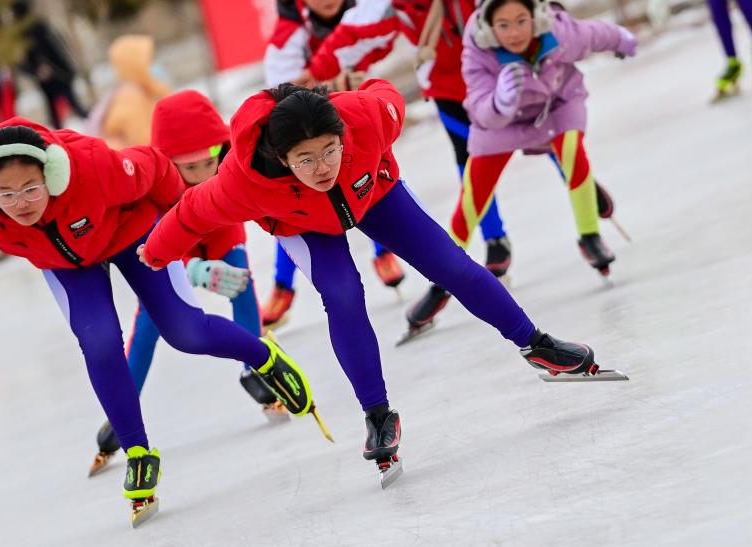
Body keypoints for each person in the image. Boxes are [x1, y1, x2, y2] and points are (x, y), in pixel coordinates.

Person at [138, 79, 606, 477]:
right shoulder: (242, 180)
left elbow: (386, 94)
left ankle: (537, 345)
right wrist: (155, 253)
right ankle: (378, 415)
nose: (322, 167)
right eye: (305, 159)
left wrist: (363, 84)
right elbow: (189, 215)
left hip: (375, 193)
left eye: (329, 150)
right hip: (302, 224)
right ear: (282, 159)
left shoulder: (368, 118)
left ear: (343, 136)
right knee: (342, 296)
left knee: (452, 266)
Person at [0, 117, 318, 525]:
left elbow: (155, 165)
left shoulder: (97, 169)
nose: (20, 203)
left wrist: (185, 226)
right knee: (98, 343)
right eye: (6, 194)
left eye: (31, 188)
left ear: (53, 177)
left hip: (130, 231)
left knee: (184, 331)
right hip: (65, 265)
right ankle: (138, 453)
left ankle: (263, 355)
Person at [297, 0, 618, 328]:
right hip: (449, 91)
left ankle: (587, 220)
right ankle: (495, 241)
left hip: (504, 82)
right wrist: (313, 75)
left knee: (559, 144)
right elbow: (353, 35)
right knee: (473, 166)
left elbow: (526, 12)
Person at [407, 0, 638, 331]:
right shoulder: (477, 51)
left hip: (555, 106)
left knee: (572, 149)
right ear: (488, 26)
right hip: (500, 123)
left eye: (521, 20)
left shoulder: (559, 32)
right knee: (474, 194)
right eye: (503, 24)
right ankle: (442, 279)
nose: (514, 32)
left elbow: (594, 34)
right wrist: (500, 101)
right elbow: (480, 108)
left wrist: (622, 39)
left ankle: (590, 236)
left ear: (536, 17)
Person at [89, 90, 286, 476]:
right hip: (169, 234)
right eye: (187, 169)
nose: (200, 176)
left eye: (208, 163)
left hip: (218, 223)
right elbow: (154, 250)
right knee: (150, 320)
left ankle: (255, 370)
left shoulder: (227, 176)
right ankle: (123, 408)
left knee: (241, 281)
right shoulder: (151, 188)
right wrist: (195, 271)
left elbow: (234, 242)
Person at [262, 0, 405, 328]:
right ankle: (282, 286)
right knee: (292, 206)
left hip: (355, 114)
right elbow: (280, 92)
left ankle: (384, 249)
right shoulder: (287, 35)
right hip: (307, 128)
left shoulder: (362, 6)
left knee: (375, 173)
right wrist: (334, 85)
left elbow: (387, 45)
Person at [11, 0, 90, 129]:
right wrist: (36, 72)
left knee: (73, 105)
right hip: (48, 79)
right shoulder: (24, 34)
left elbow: (54, 49)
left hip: (58, 74)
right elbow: (20, 62)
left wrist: (51, 68)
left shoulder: (38, 28)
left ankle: (93, 124)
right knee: (57, 112)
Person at [86, 34, 169, 149]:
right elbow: (146, 140)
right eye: (148, 60)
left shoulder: (138, 91)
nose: (152, 64)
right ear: (135, 65)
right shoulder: (131, 97)